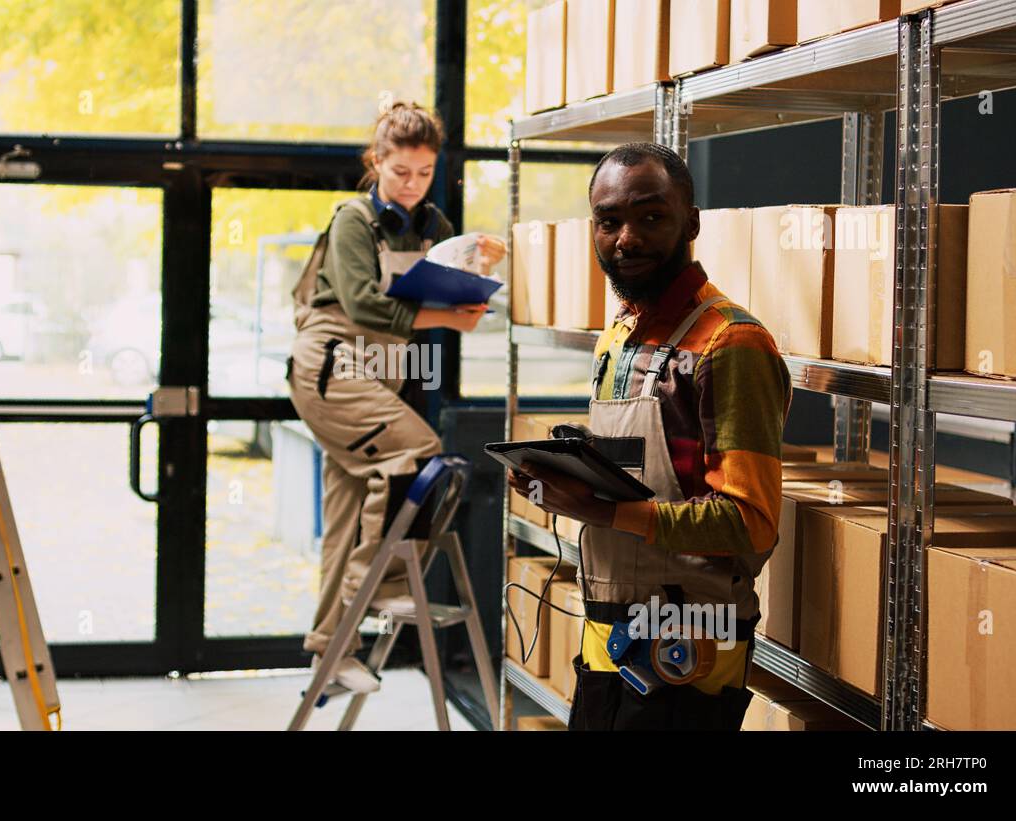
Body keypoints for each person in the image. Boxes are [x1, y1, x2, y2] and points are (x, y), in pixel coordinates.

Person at [509, 142, 791, 730]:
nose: (627, 238)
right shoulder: (619, 337)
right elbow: (644, 471)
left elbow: (750, 522)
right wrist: (562, 477)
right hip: (608, 633)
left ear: (691, 221)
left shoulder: (730, 344)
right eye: (610, 221)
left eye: (651, 216)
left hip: (689, 644)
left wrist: (600, 510)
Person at [289, 102, 506, 693]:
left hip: (381, 373)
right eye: (400, 171)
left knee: (347, 515)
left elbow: (428, 297)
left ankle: (329, 655)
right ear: (376, 162)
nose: (412, 184)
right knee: (417, 452)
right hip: (333, 367)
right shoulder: (352, 220)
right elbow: (360, 305)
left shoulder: (432, 223)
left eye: (424, 172)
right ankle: (382, 591)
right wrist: (446, 317)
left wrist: (475, 266)